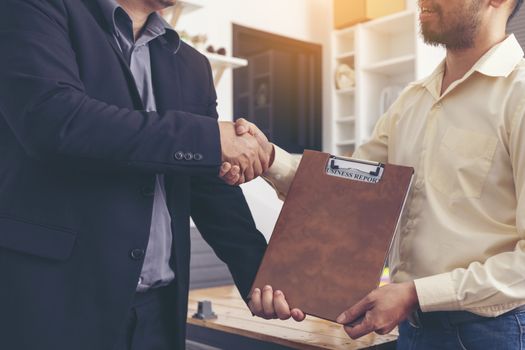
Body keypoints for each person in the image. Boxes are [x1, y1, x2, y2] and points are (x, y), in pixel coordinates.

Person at [222, 0, 525, 348]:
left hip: (489, 333)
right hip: (412, 329)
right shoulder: (411, 101)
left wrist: (415, 293)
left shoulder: (519, 96)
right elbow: (342, 189)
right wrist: (269, 157)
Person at [0, 0, 272, 349]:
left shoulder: (193, 65)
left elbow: (208, 188)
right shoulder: (34, 9)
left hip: (159, 314)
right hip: (54, 305)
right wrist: (208, 137)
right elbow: (56, 122)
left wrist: (260, 276)